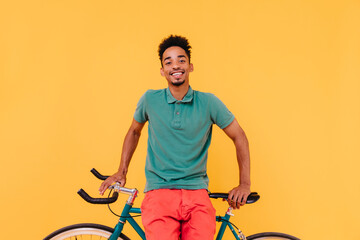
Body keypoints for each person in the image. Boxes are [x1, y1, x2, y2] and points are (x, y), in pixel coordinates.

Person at [99, 35, 251, 240]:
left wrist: (245, 184)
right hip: (159, 192)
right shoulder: (150, 99)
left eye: (181, 60)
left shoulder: (208, 102)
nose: (175, 65)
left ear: (190, 66)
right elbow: (134, 131)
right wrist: (121, 171)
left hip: (197, 192)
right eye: (168, 62)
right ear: (162, 71)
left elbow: (239, 135)